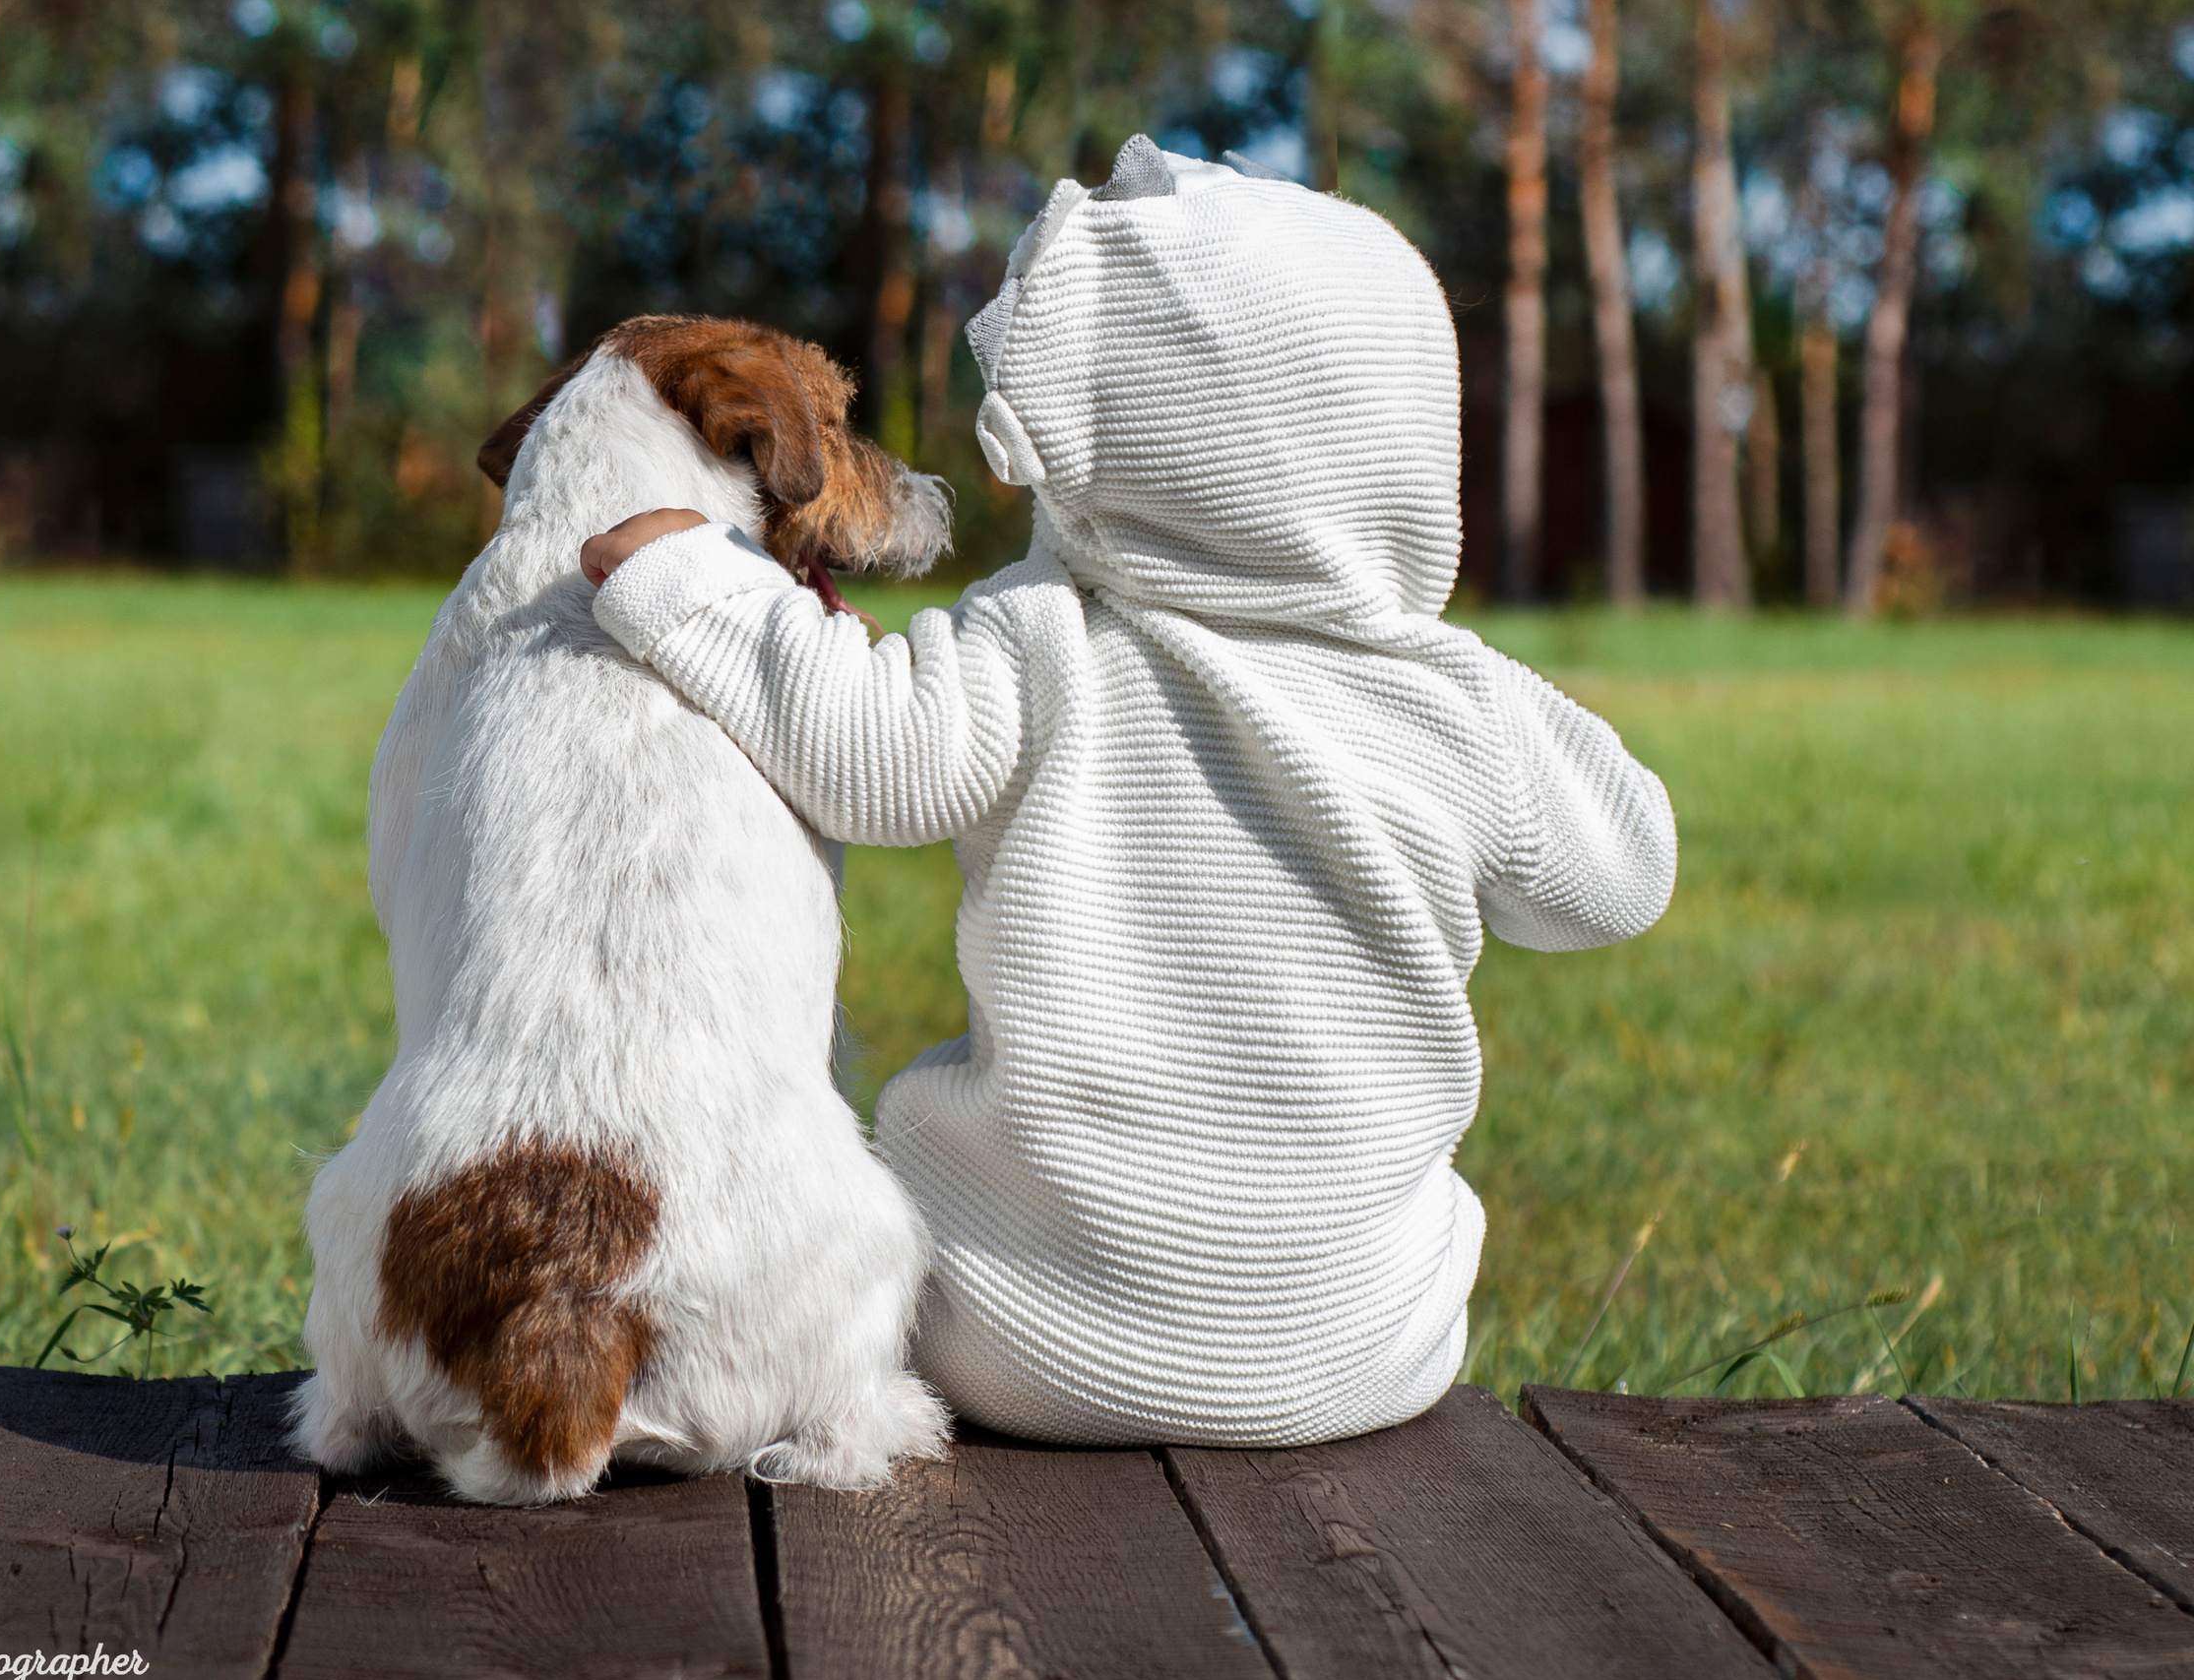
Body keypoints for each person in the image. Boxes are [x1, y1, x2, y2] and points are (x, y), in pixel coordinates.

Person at [581, 136, 1677, 1446]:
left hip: (1011, 1339)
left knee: (895, 1169)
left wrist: (688, 581)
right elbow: (1621, 879)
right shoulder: (1447, 704)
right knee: (1407, 1201)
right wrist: (1488, 684)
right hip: (1366, 1353)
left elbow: (866, 750)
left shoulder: (1045, 639)